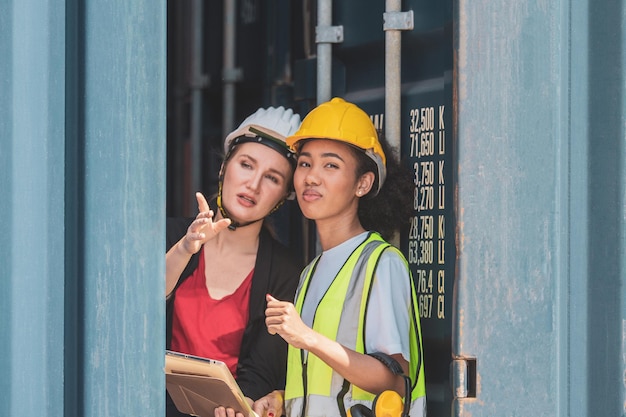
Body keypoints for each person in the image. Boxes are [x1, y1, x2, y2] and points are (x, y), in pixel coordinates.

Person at [252, 98, 427, 417]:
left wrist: (307, 337)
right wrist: (283, 398)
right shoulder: (310, 273)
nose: (311, 177)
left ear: (363, 183)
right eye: (305, 163)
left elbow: (394, 381)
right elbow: (325, 386)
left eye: (330, 165)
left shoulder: (380, 264)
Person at [165, 106, 303, 417]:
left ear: (283, 196)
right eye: (246, 165)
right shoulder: (170, 235)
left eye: (272, 178)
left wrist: (240, 405)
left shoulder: (284, 272)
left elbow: (262, 371)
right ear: (224, 168)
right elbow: (135, 311)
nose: (253, 185)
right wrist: (185, 248)